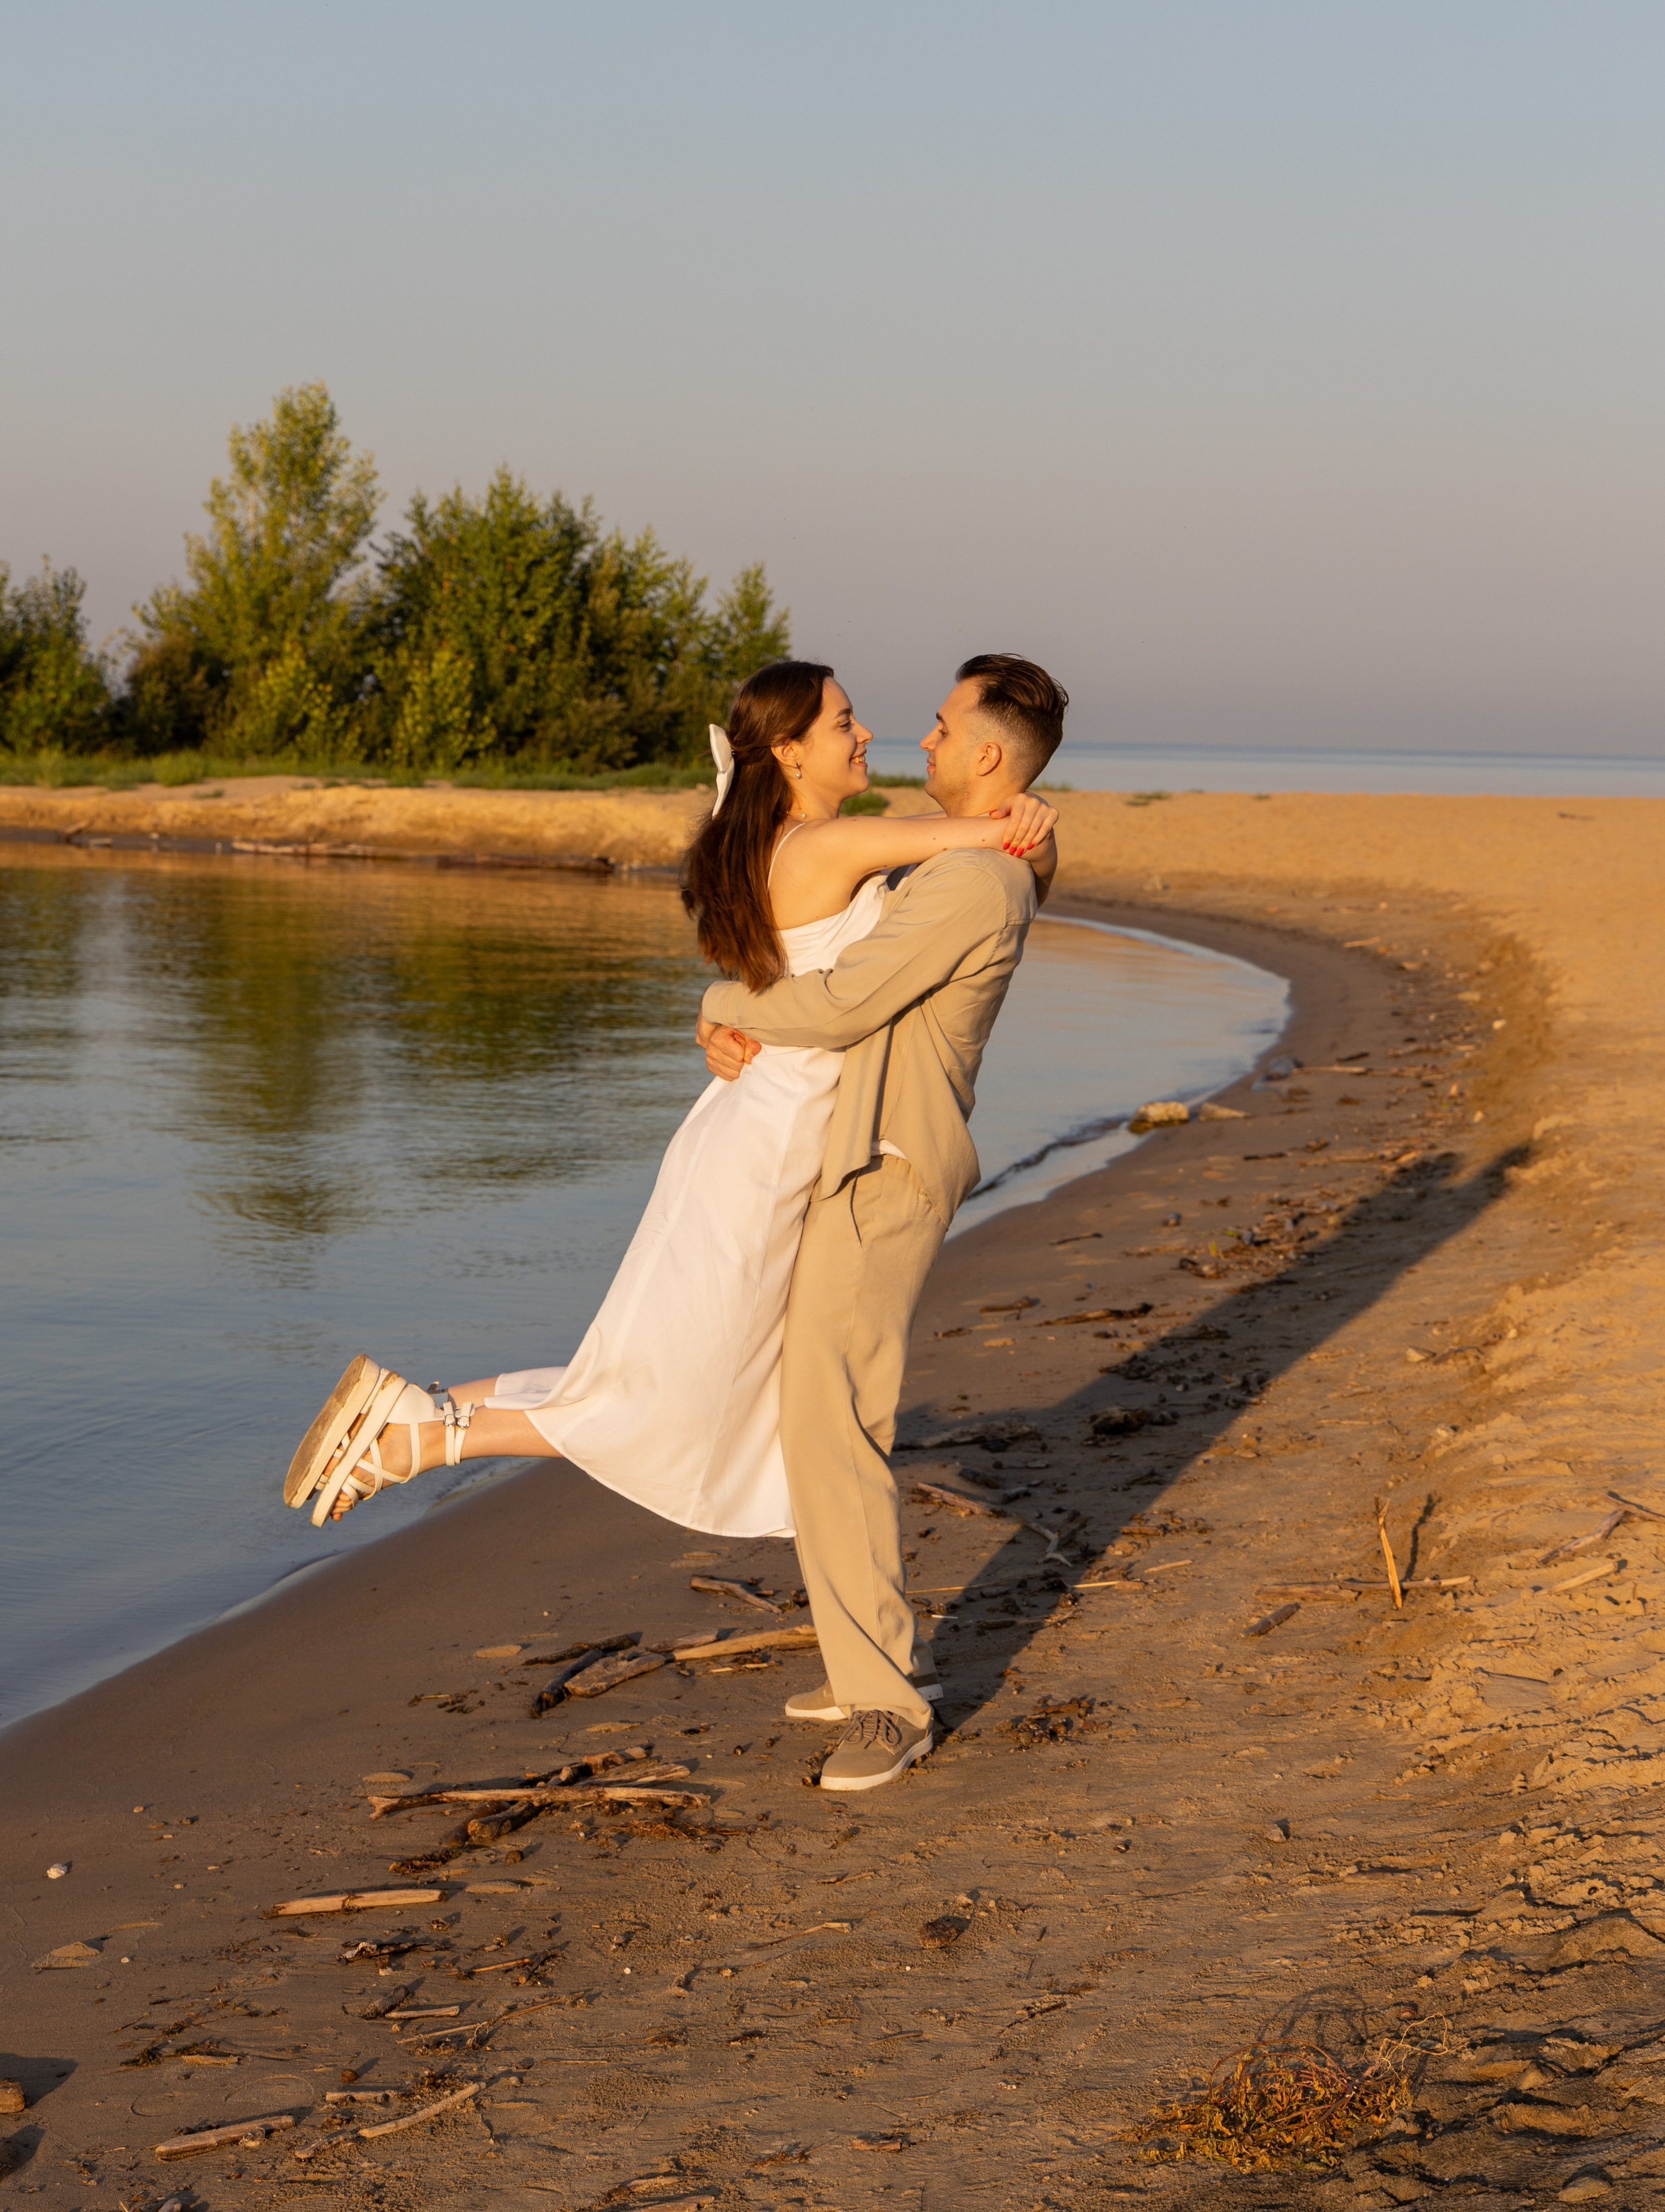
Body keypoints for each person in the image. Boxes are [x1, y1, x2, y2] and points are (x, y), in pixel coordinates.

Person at [280, 661, 1057, 1565]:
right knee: (660, 1386)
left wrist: (723, 1005)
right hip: (764, 1149)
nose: (866, 735)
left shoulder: (816, 838)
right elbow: (983, 838)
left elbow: (964, 860)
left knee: (649, 1365)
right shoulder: (821, 847)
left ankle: (421, 1419)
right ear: (790, 750)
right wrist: (1030, 818)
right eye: (843, 722)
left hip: (770, 1132)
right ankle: (421, 1434)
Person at [695, 652, 1069, 1790]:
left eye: (947, 728)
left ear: (992, 755)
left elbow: (847, 1000)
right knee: (820, 1417)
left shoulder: (972, 882)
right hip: (864, 1153)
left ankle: (888, 1705)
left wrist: (718, 1002)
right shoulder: (981, 856)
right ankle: (869, 1655)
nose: (925, 741)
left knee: (837, 1423)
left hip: (887, 1164)